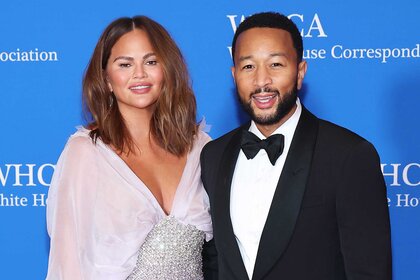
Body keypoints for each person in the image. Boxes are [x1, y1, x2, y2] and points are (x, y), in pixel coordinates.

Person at [200, 12, 392, 280]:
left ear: (300, 72)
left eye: (276, 64)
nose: (261, 81)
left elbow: (369, 272)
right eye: (248, 67)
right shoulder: (213, 154)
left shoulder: (349, 156)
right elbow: (214, 261)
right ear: (234, 75)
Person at [46, 16, 213, 280]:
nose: (139, 74)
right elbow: (68, 266)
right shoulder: (85, 153)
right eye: (125, 64)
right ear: (107, 79)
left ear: (167, 70)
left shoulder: (200, 148)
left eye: (150, 61)